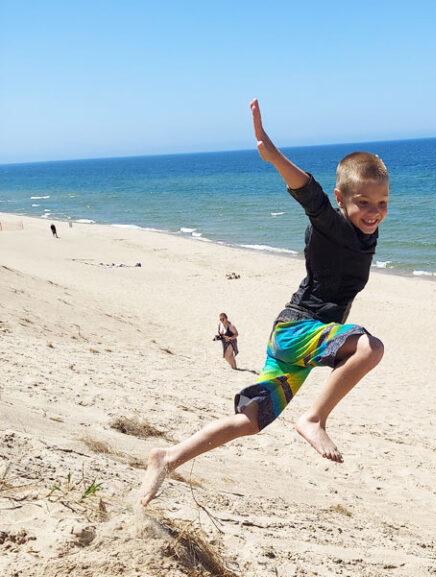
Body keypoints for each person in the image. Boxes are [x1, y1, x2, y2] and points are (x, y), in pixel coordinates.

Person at [139, 98, 388, 505]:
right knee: (369, 348)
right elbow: (310, 194)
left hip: (296, 343)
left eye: (382, 203)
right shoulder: (331, 222)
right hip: (299, 330)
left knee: (248, 421)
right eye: (363, 203)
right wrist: (271, 154)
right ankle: (313, 418)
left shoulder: (366, 231)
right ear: (342, 199)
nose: (374, 212)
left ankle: (166, 458)